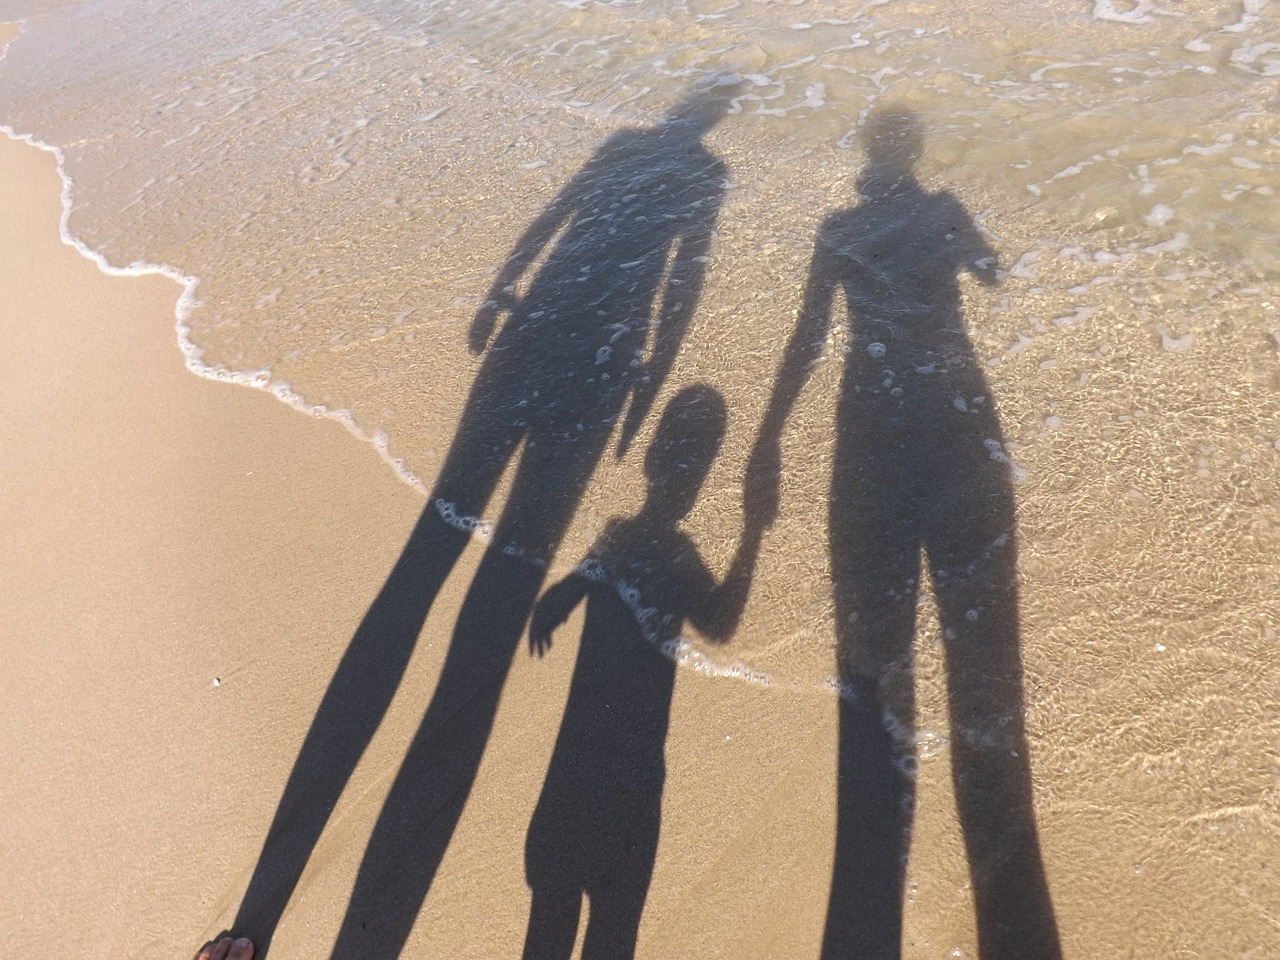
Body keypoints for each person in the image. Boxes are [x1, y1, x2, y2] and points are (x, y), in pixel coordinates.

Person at [232, 78, 738, 960]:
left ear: (680, 104)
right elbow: (682, 276)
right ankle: (447, 731)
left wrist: (501, 289)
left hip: (533, 331)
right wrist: (653, 372)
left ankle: (405, 723)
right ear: (717, 115)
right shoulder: (704, 175)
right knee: (507, 571)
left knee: (436, 543)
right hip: (601, 359)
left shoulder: (624, 144)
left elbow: (554, 217)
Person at [749, 108, 1062, 960]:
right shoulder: (947, 210)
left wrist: (770, 436)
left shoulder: (838, 229)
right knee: (986, 664)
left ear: (864, 157)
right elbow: (995, 275)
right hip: (959, 421)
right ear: (918, 153)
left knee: (875, 653)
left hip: (872, 429)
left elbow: (810, 337)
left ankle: (882, 812)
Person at [521, 384, 769, 960]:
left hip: (572, 769)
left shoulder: (615, 538)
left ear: (651, 459)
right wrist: (753, 531)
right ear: (703, 478)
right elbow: (723, 622)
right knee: (614, 926)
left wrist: (555, 603)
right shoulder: (676, 557)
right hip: (632, 776)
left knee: (550, 920)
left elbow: (565, 591)